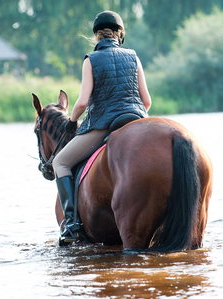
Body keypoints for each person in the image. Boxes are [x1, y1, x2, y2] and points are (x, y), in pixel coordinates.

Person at [53, 10, 152, 243]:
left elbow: (83, 102)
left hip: (104, 124)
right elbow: (146, 101)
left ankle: (71, 225)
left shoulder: (91, 59)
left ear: (97, 36)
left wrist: (72, 121)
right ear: (120, 35)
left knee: (60, 162)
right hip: (137, 119)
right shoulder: (133, 56)